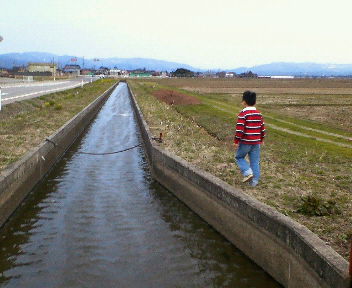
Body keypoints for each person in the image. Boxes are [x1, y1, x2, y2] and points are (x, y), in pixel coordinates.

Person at [234, 91, 266, 187]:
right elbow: (262, 127)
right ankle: (254, 182)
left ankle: (247, 172)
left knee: (239, 157)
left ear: (243, 102)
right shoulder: (259, 114)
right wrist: (262, 139)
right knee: (255, 161)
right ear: (255, 102)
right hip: (256, 142)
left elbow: (240, 129)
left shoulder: (243, 114)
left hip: (245, 142)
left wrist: (236, 141)